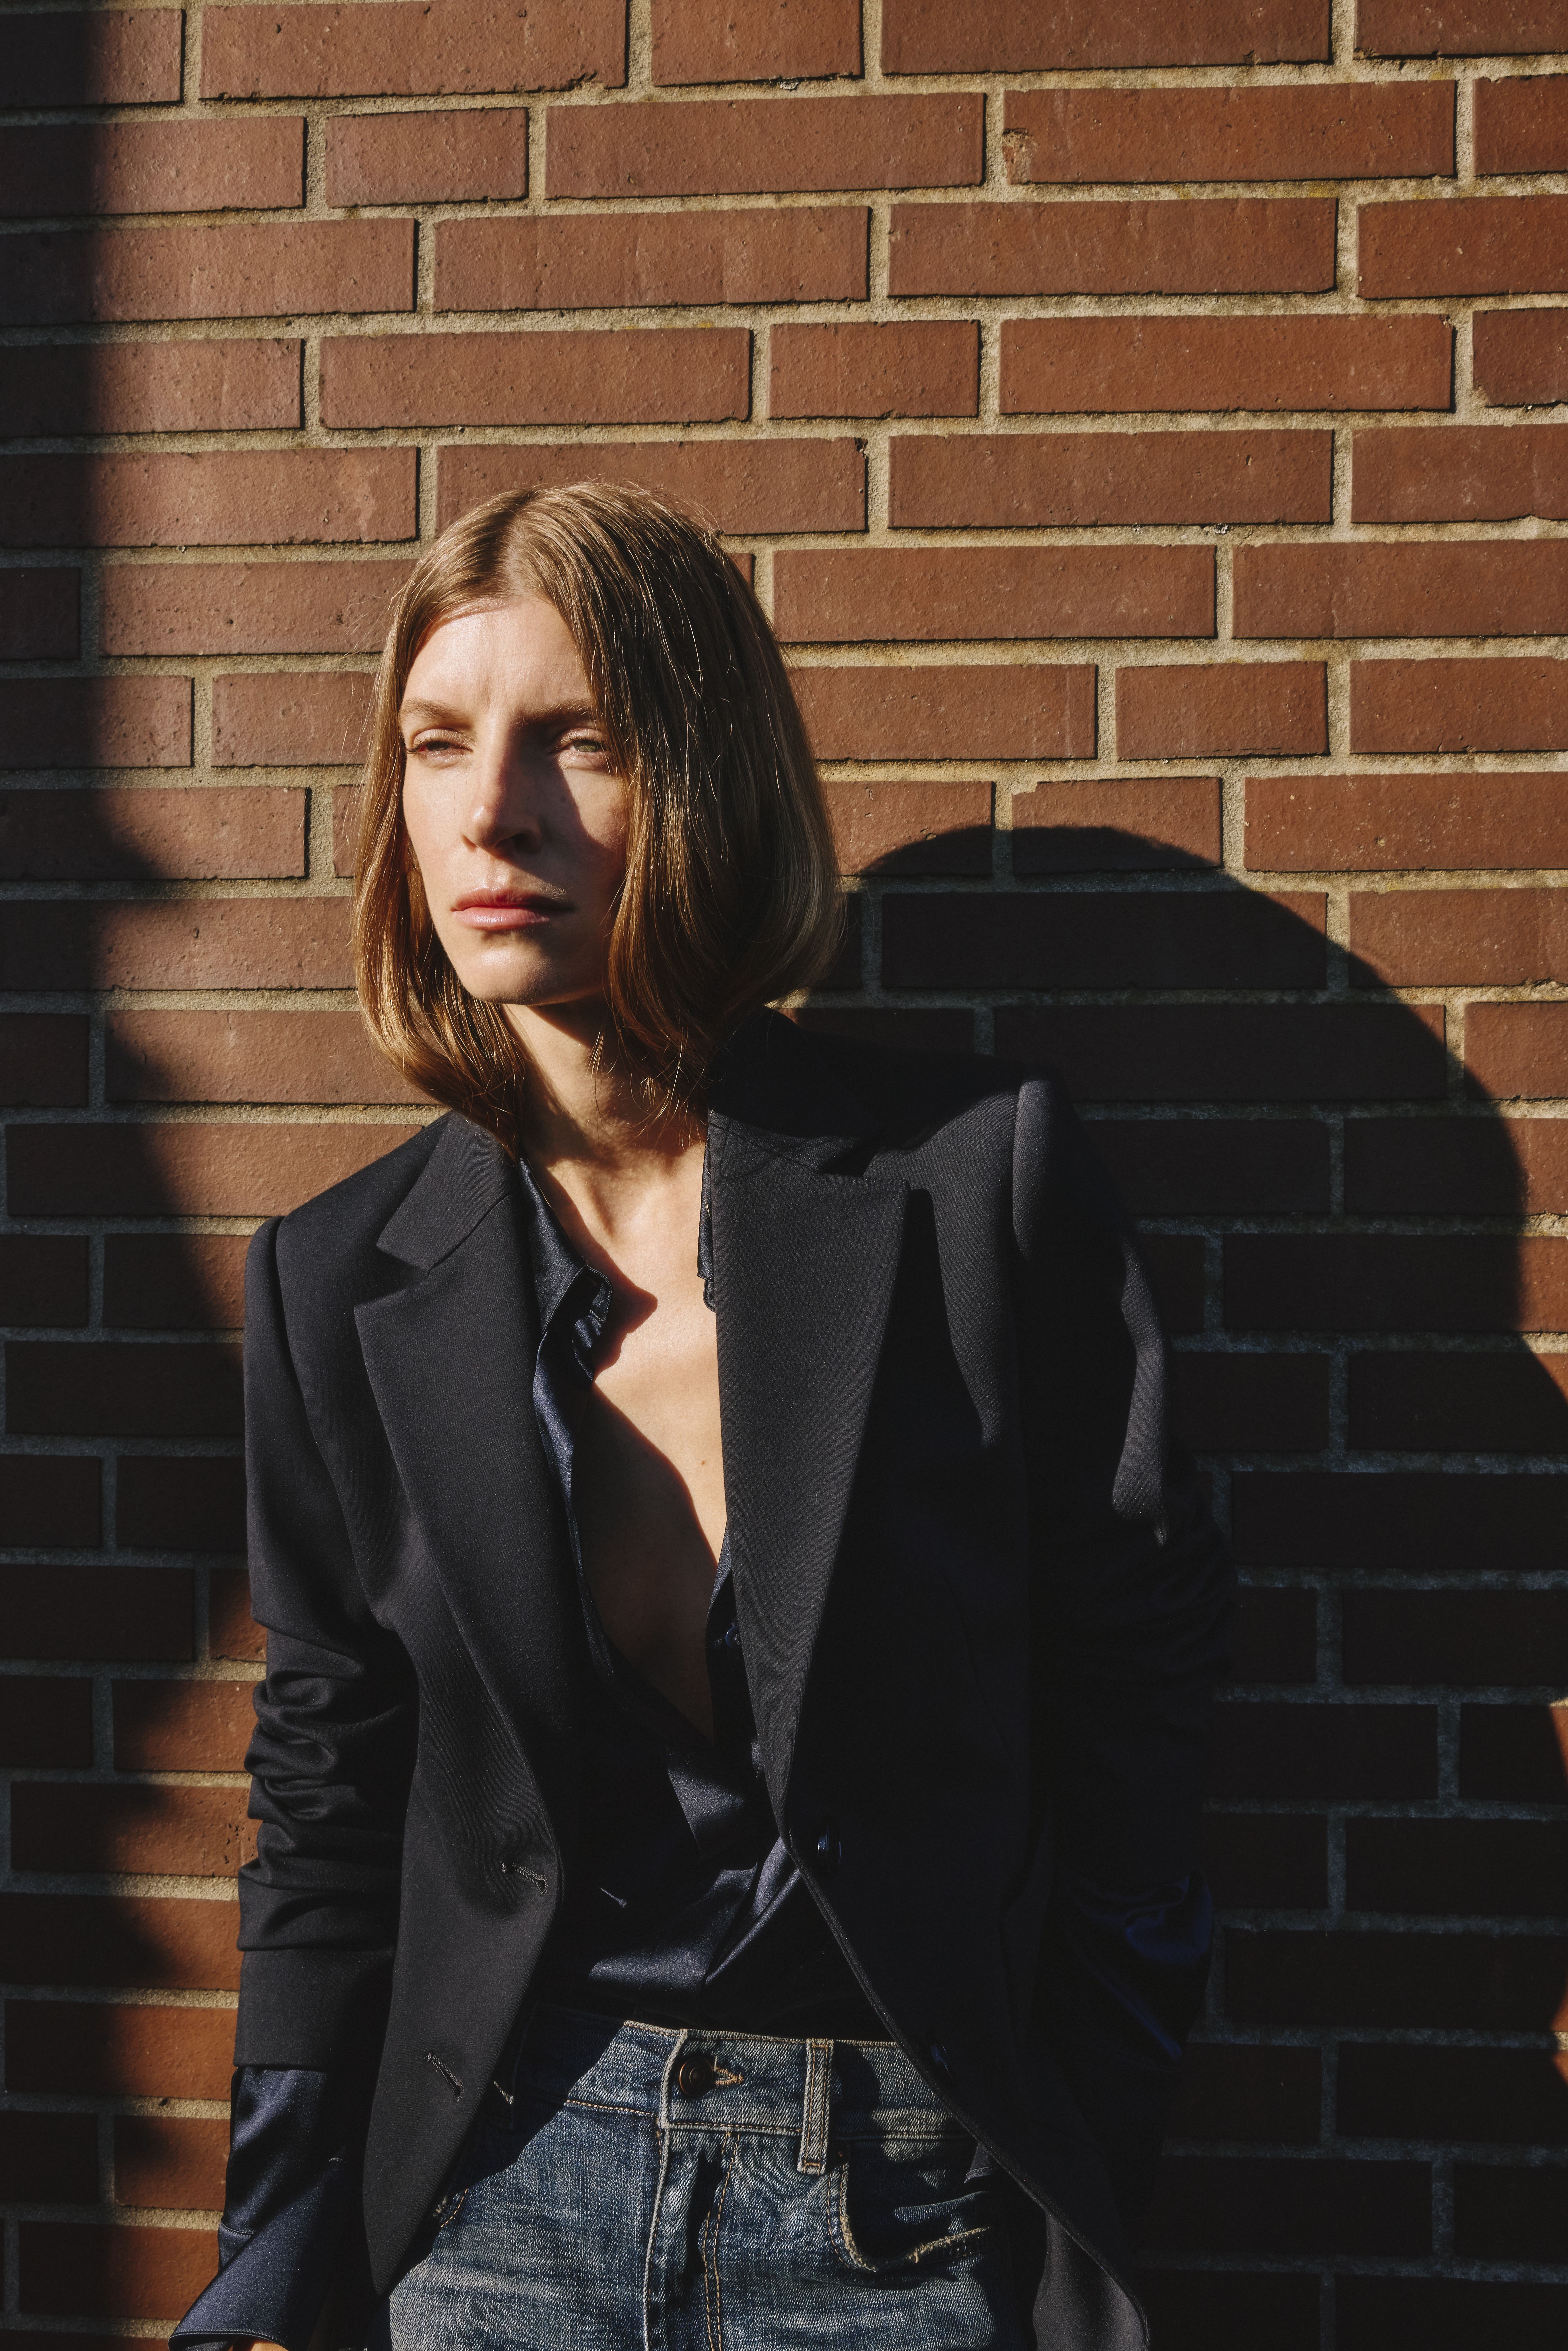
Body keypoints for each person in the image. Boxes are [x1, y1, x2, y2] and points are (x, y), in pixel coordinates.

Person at [172, 482, 1233, 2351]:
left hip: (896, 2206)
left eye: (573, 741)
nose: (488, 812)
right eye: (437, 744)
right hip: (497, 2198)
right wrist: (279, 2245)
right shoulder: (339, 1280)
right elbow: (333, 1788)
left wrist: (1073, 2126)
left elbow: (1133, 1692)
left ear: (704, 777)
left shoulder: (972, 1194)